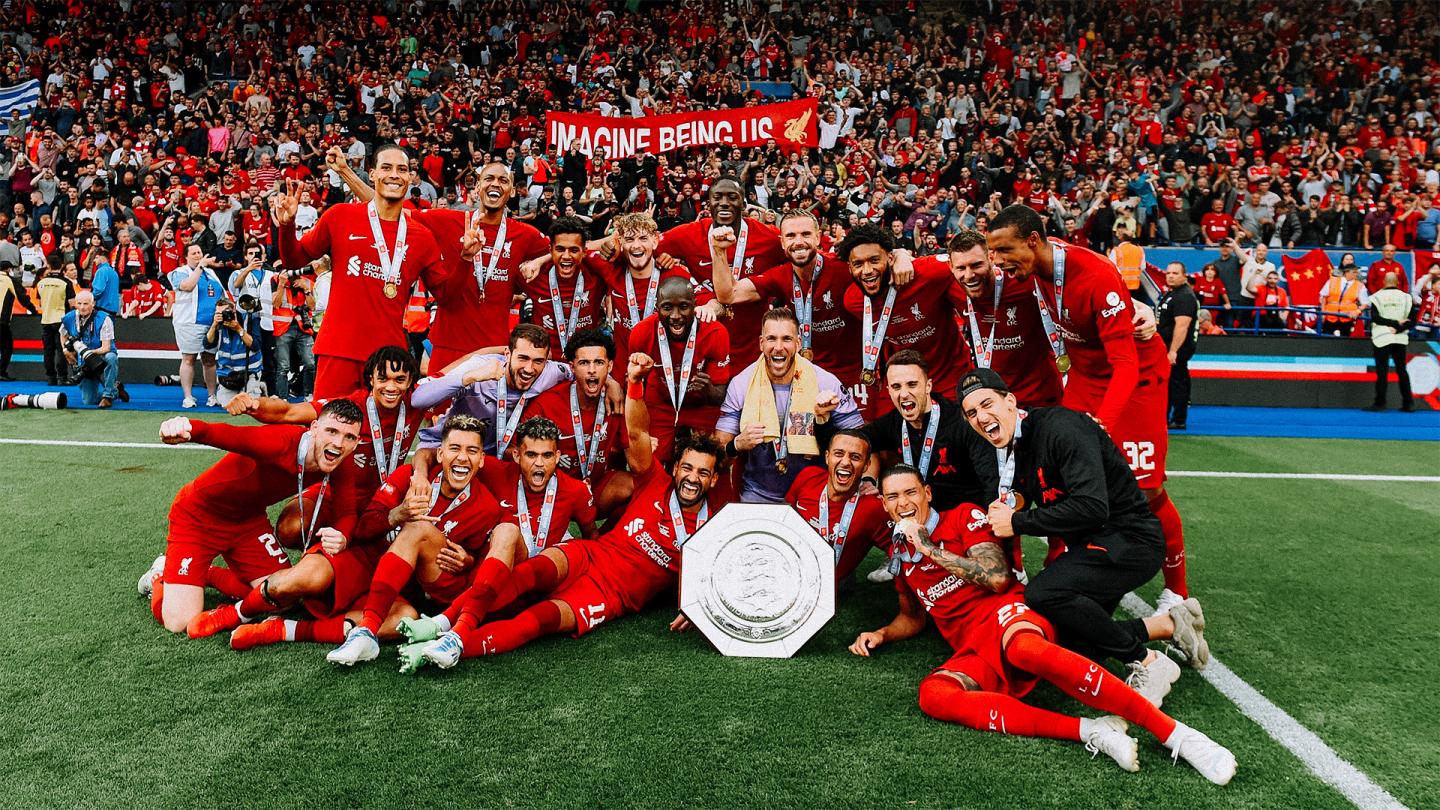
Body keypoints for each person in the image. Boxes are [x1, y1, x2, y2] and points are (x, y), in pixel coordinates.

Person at [849, 464, 1235, 785]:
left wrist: (930, 548)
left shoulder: (962, 517)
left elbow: (997, 577)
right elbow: (913, 617)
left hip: (1009, 611)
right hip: (972, 643)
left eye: (910, 492)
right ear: (883, 504)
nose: (903, 503)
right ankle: (1092, 731)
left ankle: (1179, 735)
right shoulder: (902, 554)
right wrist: (881, 633)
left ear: (927, 493)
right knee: (933, 695)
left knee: (1025, 649)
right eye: (893, 497)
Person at [396, 352, 731, 672]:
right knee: (523, 576)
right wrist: (634, 383)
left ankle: (449, 648)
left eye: (702, 473)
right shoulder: (655, 481)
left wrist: (701, 604)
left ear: (714, 479)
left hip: (610, 595)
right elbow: (638, 433)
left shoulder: (713, 531)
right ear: (675, 470)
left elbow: (721, 578)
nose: (691, 478)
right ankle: (445, 624)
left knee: (534, 623)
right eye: (687, 468)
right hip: (590, 554)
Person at [987, 204, 1193, 616]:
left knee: (1147, 490)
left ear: (1032, 241)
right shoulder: (1030, 268)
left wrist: (1102, 427)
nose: (997, 261)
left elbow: (1126, 364)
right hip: (1083, 375)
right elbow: (960, 259)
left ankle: (1178, 592)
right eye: (994, 252)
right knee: (1065, 475)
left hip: (1135, 379)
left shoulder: (1094, 274)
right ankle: (1061, 561)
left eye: (1004, 250)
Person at [956, 369, 1210, 687]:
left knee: (1042, 593)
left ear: (1010, 401)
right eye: (972, 413)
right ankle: (1170, 624)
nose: (982, 416)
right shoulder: (1015, 443)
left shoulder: (1061, 427)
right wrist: (1013, 505)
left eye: (987, 404)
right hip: (1096, 547)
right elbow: (1035, 489)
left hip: (1131, 540)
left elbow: (1092, 506)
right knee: (1074, 645)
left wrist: (1018, 522)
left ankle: (1148, 661)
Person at [220, 416, 518, 657]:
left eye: (472, 451)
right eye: (455, 448)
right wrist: (398, 514)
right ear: (440, 453)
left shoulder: (487, 509)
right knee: (298, 582)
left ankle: (284, 630)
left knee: (404, 621)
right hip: (368, 558)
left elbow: (482, 566)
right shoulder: (408, 478)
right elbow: (363, 527)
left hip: (404, 587)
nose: (462, 458)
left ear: (481, 460)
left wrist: (466, 561)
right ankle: (235, 610)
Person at [147, 399, 365, 635]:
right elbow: (229, 435)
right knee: (179, 623)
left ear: (356, 442)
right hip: (198, 516)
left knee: (285, 598)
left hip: (248, 522)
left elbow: (347, 513)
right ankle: (160, 575)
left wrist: (342, 535)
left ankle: (208, 573)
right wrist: (187, 427)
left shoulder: (342, 462)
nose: (338, 443)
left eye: (349, 437)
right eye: (331, 431)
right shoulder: (282, 441)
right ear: (314, 428)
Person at [338, 156, 551, 369]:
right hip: (447, 346)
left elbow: (567, 248)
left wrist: (541, 260)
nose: (495, 184)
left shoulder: (526, 235)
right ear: (477, 187)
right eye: (489, 178)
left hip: (493, 349)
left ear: (512, 191)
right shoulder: (447, 221)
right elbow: (387, 209)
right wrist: (344, 171)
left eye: (503, 181)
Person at [274, 144, 450, 398]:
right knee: (327, 430)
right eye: (386, 167)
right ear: (373, 174)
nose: (394, 174)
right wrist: (287, 226)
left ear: (410, 178)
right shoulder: (340, 216)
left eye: (402, 169)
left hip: (388, 359)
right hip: (339, 350)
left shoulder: (422, 236)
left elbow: (446, 294)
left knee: (383, 435)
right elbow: (294, 259)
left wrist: (466, 258)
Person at [226, 345, 427, 543]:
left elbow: (451, 374)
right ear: (371, 379)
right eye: (383, 379)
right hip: (335, 491)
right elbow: (288, 412)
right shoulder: (349, 407)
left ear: (410, 381)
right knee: (291, 529)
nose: (391, 387)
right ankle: (331, 535)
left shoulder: (417, 401)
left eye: (399, 379)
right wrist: (254, 404)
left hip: (386, 495)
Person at [711, 209, 873, 411]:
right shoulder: (780, 276)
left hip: (855, 378)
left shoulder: (844, 268)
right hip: (806, 377)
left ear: (818, 237)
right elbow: (729, 294)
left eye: (805, 234)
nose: (798, 242)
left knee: (857, 440)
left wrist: (900, 256)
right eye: (790, 236)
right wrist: (719, 251)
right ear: (781, 242)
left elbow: (882, 266)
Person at [716, 307, 862, 503]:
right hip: (757, 496)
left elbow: (862, 441)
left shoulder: (826, 383)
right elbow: (717, 458)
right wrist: (737, 444)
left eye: (786, 339)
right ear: (761, 343)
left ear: (798, 343)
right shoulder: (742, 384)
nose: (778, 347)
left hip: (816, 497)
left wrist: (867, 479)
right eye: (771, 339)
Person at [659, 177, 787, 369]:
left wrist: (777, 303)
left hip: (754, 347)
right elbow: (644, 246)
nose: (724, 203)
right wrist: (661, 258)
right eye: (717, 197)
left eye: (732, 197)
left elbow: (801, 259)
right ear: (708, 203)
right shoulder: (689, 234)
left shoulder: (767, 237)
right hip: (708, 342)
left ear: (743, 203)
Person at [839, 223, 972, 407]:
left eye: (875, 260)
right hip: (903, 385)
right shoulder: (853, 301)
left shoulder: (929, 273)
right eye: (858, 264)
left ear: (890, 258)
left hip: (951, 378)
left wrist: (904, 254)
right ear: (849, 268)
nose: (867, 270)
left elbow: (963, 262)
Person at [412, 323, 575, 460]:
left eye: (538, 361)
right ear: (507, 354)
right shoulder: (480, 367)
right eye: (523, 358)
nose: (529, 368)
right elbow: (418, 399)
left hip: (495, 455)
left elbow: (581, 372)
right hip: (449, 448)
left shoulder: (552, 372)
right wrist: (469, 378)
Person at [946, 229, 1063, 408]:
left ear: (991, 258)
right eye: (961, 268)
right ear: (950, 266)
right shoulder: (948, 285)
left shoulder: (1022, 278)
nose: (969, 275)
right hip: (995, 400)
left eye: (977, 265)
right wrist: (900, 255)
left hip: (1041, 397)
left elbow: (1054, 251)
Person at [526, 328, 632, 519]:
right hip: (553, 492)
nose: (592, 370)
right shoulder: (547, 403)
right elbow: (517, 453)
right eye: (584, 363)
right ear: (572, 367)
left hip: (594, 488)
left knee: (633, 485)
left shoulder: (616, 403)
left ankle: (608, 540)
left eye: (599, 362)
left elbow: (628, 452)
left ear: (609, 367)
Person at [626, 275, 731, 462]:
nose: (675, 316)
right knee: (650, 461)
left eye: (683, 307)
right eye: (667, 307)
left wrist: (708, 390)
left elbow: (719, 396)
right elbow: (633, 387)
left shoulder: (715, 332)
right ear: (657, 308)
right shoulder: (641, 333)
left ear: (694, 305)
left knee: (709, 461)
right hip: (661, 402)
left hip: (701, 405)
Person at [586, 212, 695, 380]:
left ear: (655, 240)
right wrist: (612, 240)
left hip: (662, 375)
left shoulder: (675, 275)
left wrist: (710, 307)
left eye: (643, 238)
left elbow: (708, 301)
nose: (636, 245)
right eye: (629, 239)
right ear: (621, 242)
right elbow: (579, 248)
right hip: (623, 374)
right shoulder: (610, 268)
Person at [786, 429, 894, 582]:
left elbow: (903, 555)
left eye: (855, 457)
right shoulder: (808, 477)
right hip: (789, 569)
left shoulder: (874, 507)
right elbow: (784, 520)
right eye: (838, 454)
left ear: (866, 465)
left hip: (830, 586)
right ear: (827, 457)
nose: (845, 462)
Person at [522, 216, 607, 355]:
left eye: (573, 250)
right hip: (545, 365)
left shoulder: (597, 274)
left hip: (584, 366)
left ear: (584, 251)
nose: (566, 256)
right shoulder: (534, 275)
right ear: (550, 250)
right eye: (560, 249)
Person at [168, 244, 226, 408]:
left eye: (199, 252)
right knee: (189, 359)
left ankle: (212, 396)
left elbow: (221, 295)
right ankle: (188, 397)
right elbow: (187, 286)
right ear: (185, 257)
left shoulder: (211, 273)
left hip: (211, 324)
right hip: (189, 323)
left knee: (209, 360)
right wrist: (200, 266)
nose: (197, 255)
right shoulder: (179, 272)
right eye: (193, 253)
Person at [59, 290, 127, 407]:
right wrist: (65, 350)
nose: (82, 307)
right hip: (83, 361)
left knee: (111, 357)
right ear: (75, 304)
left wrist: (88, 353)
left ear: (93, 303)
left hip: (101, 355)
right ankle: (115, 390)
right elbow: (62, 333)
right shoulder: (68, 318)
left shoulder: (104, 319)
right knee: (89, 401)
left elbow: (106, 347)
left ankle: (107, 396)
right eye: (79, 303)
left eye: (85, 304)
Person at [1156, 263, 1199, 429]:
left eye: (1175, 273)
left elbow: (1182, 325)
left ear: (1184, 276)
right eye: (1168, 273)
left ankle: (1178, 419)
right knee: (1171, 382)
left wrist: (1173, 351)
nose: (1170, 276)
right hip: (1167, 346)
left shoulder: (1184, 296)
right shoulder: (1172, 293)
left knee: (1177, 383)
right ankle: (1167, 416)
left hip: (1176, 348)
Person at [1365, 272, 1415, 412]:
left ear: (1384, 282)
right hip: (1400, 339)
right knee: (1402, 371)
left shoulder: (1377, 297)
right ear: (1398, 282)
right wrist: (1398, 327)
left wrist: (1391, 324)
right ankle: (1408, 403)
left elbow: (1375, 318)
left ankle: (1380, 403)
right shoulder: (1406, 297)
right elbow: (1412, 320)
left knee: (1382, 371)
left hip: (1382, 337)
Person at [204, 297, 264, 407]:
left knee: (249, 405)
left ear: (234, 310)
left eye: (225, 312)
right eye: (219, 313)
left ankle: (257, 387)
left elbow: (255, 346)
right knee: (227, 405)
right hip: (228, 374)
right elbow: (207, 344)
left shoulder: (249, 319)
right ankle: (241, 392)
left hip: (249, 371)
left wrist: (238, 328)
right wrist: (214, 325)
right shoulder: (217, 323)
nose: (223, 315)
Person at [271, 266, 318, 400]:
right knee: (283, 367)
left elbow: (312, 306)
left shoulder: (306, 282)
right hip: (283, 328)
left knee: (310, 364)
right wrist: (281, 284)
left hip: (303, 327)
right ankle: (282, 398)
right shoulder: (275, 279)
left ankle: (308, 395)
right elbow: (276, 304)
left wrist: (306, 289)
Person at [34, 255, 75, 385]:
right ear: (61, 266)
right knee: (61, 350)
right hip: (61, 320)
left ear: (48, 266)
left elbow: (39, 303)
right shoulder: (66, 283)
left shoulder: (41, 283)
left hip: (45, 320)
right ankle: (62, 377)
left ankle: (50, 378)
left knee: (48, 350)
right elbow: (72, 304)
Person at [0, 261, 38, 379]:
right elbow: (23, 298)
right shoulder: (10, 280)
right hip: (2, 320)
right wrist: (34, 310)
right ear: (8, 269)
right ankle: (1, 372)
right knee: (7, 347)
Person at [1318, 261, 1367, 337]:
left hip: (1347, 319)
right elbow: (1323, 297)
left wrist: (1357, 311)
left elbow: (1365, 303)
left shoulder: (1360, 286)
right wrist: (1323, 313)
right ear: (1346, 272)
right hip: (1330, 317)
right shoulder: (1332, 281)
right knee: (1326, 340)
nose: (1356, 274)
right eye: (1354, 272)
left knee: (1344, 341)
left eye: (1356, 272)